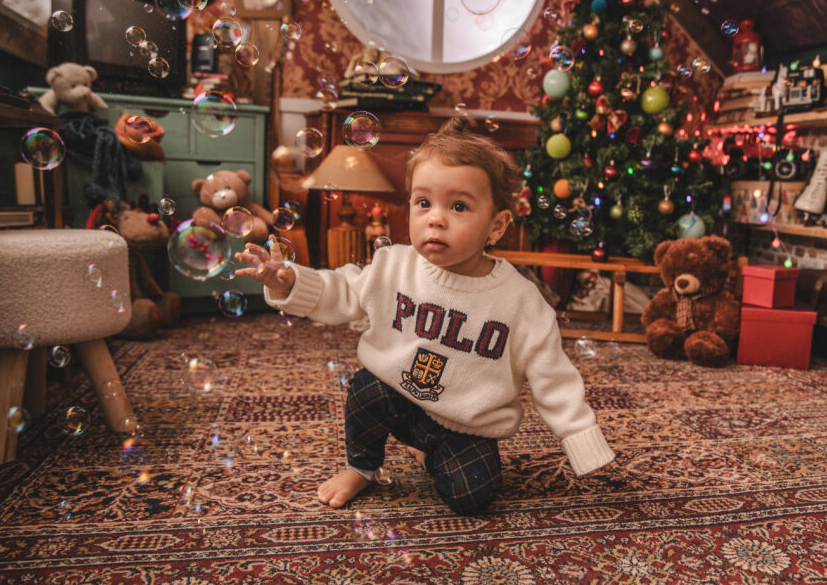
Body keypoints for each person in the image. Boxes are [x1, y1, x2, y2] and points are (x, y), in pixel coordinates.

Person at [236, 116, 615, 514]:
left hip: (465, 422)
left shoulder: (521, 302)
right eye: (423, 203)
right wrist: (286, 282)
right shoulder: (393, 265)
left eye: (458, 206)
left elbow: (552, 377)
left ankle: (429, 452)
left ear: (497, 225)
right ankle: (362, 467)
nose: (435, 218)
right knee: (366, 389)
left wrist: (581, 437)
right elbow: (342, 290)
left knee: (473, 497)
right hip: (395, 397)